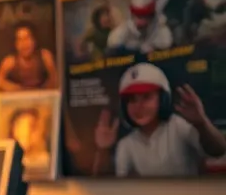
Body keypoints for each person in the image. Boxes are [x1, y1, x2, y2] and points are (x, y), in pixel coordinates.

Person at [91, 62, 226, 177]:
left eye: (146, 97)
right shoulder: (127, 144)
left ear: (162, 100)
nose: (139, 106)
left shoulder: (178, 126)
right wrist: (102, 150)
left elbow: (219, 150)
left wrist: (201, 123)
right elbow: (112, 189)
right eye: (132, 100)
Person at [0, 20, 57, 91]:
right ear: (15, 44)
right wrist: (18, 89)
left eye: (27, 38)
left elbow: (55, 79)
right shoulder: (10, 61)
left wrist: (41, 91)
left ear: (34, 40)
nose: (24, 44)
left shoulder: (45, 56)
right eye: (20, 39)